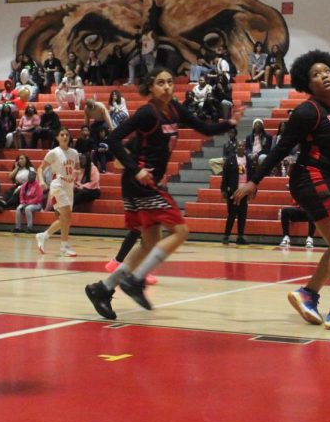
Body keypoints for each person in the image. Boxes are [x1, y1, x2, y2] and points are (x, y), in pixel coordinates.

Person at [233, 50, 330, 331]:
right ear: (309, 85)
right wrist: (254, 180)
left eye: (326, 71)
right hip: (313, 177)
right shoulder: (308, 112)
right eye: (315, 75)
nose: (323, 76)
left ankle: (308, 294)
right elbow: (280, 149)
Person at [84, 67, 235, 320]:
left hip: (148, 181)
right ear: (151, 87)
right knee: (181, 231)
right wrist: (135, 169)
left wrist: (228, 123)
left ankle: (103, 289)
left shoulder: (175, 109)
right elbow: (113, 139)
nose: (166, 86)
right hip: (141, 180)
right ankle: (136, 280)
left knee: (150, 242)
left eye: (169, 82)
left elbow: (204, 128)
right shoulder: (147, 113)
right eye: (160, 82)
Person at [35, 127, 80, 257]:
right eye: (62, 135)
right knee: (66, 216)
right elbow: (40, 168)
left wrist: (75, 175)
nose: (65, 137)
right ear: (57, 137)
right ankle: (64, 246)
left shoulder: (74, 153)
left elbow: (77, 169)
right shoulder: (54, 152)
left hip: (69, 186)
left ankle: (43, 235)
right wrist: (42, 181)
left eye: (67, 134)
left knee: (66, 218)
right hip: (58, 185)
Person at [220, 139, 251, 245]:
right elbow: (225, 176)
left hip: (244, 192)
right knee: (232, 214)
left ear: (245, 147)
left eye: (242, 146)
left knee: (242, 215)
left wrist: (253, 190)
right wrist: (223, 189)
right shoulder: (230, 160)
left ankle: (240, 237)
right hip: (233, 192)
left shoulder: (249, 160)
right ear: (236, 147)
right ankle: (226, 235)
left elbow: (252, 176)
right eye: (239, 146)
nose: (240, 147)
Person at [14, 169, 44, 234]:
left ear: (35, 177)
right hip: (26, 203)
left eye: (32, 176)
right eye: (29, 176)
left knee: (28, 209)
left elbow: (38, 198)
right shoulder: (25, 185)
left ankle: (29, 227)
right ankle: (18, 227)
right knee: (18, 208)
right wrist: (23, 202)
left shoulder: (38, 185)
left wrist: (28, 203)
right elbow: (21, 195)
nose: (31, 177)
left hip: (37, 204)